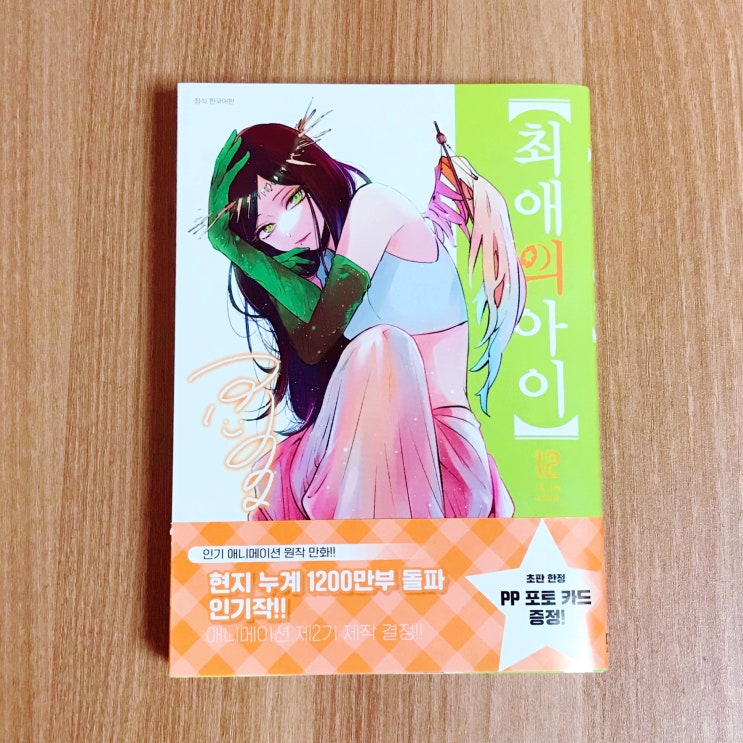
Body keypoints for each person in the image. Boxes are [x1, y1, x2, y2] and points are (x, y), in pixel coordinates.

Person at [206, 116, 525, 520]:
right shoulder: (318, 272)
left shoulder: (375, 208)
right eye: (266, 229)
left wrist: (239, 250)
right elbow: (311, 344)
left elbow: (316, 340)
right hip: (350, 458)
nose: (287, 233)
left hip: (439, 458)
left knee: (382, 346)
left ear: (313, 177)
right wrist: (241, 250)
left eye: (293, 200)